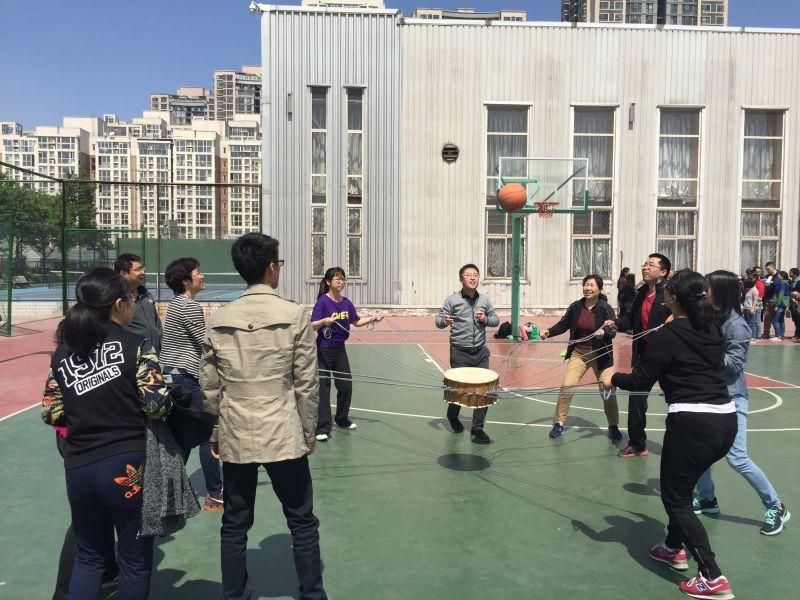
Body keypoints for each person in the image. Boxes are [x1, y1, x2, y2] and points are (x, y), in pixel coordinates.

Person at [201, 233, 327, 600]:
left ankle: (235, 595)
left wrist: (215, 433)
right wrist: (308, 431)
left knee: (234, 523)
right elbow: (306, 383)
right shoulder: (294, 314)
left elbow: (210, 386)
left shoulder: (219, 318)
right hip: (283, 429)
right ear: (272, 268)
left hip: (237, 429)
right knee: (301, 520)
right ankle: (312, 594)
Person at [601, 269, 738, 600]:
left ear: (672, 297)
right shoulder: (712, 328)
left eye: (667, 289)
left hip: (692, 424)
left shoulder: (668, 335)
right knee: (683, 490)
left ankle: (712, 576)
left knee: (675, 499)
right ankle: (673, 547)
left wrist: (612, 377)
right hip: (725, 421)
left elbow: (641, 381)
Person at [41, 268, 172, 600]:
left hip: (78, 466)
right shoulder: (136, 345)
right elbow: (157, 405)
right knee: (134, 562)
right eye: (131, 298)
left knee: (89, 559)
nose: (133, 304)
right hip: (126, 464)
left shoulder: (62, 354)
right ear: (118, 303)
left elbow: (51, 412)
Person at [693, 270, 791, 536]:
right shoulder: (711, 318)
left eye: (708, 288)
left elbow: (734, 365)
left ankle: (776, 506)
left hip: (732, 399)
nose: (704, 293)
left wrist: (704, 350)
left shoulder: (736, 326)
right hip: (710, 397)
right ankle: (707, 498)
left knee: (737, 458)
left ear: (720, 292)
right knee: (702, 452)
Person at [160, 258, 223, 510]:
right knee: (208, 432)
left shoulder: (177, 304)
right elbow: (206, 345)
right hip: (184, 379)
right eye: (198, 273)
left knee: (182, 436)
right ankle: (215, 493)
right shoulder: (188, 306)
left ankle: (170, 491)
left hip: (173, 378)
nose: (202, 276)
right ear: (186, 281)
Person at [540, 274, 621, 441]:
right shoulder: (576, 307)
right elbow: (563, 324)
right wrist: (548, 332)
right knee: (567, 387)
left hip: (601, 355)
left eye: (592, 285)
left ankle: (613, 426)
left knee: (607, 389)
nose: (588, 288)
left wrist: (604, 332)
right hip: (579, 354)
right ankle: (558, 423)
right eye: (586, 285)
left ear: (599, 289)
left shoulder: (605, 308)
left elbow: (613, 329)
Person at [609, 253, 672, 458]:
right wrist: (614, 324)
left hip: (668, 357)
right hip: (643, 355)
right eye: (645, 264)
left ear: (663, 272)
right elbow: (629, 318)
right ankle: (637, 444)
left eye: (651, 265)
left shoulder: (670, 294)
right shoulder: (641, 293)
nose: (645, 267)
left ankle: (680, 443)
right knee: (636, 400)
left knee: (676, 401)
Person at [310, 267, 383, 441]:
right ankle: (323, 428)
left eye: (343, 279)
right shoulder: (322, 302)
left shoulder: (346, 303)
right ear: (328, 282)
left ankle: (341, 419)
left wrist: (372, 318)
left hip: (339, 350)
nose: (341, 282)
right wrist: (323, 321)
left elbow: (356, 321)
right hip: (324, 350)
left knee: (345, 386)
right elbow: (312, 325)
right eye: (338, 279)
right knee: (324, 388)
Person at [435, 263, 499, 444]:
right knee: (460, 390)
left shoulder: (485, 300)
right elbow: (438, 321)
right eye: (469, 275)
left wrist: (485, 319)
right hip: (459, 352)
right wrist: (445, 321)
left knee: (484, 390)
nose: (473, 278)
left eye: (476, 275)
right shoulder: (452, 300)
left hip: (481, 352)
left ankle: (477, 429)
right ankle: (452, 414)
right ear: (461, 279)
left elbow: (496, 320)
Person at [114, 253, 163, 354]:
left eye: (142, 269)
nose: (143, 272)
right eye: (138, 270)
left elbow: (157, 324)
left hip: (154, 355)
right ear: (123, 273)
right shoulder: (117, 299)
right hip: (132, 355)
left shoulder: (147, 294)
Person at [760, 262, 780, 340]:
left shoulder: (779, 275)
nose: (767, 270)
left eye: (768, 268)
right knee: (767, 317)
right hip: (768, 299)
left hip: (776, 299)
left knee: (777, 318)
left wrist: (772, 282)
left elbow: (781, 285)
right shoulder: (767, 276)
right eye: (766, 269)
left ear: (773, 267)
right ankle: (766, 333)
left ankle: (779, 334)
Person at [769, 270, 791, 341]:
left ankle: (778, 335)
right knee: (781, 320)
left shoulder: (782, 284)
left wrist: (777, 304)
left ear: (782, 276)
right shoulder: (786, 283)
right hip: (784, 304)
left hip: (780, 304)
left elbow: (781, 295)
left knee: (774, 320)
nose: (778, 276)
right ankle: (781, 334)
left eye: (779, 275)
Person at [742, 277, 760, 342]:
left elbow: (755, 300)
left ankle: (753, 337)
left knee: (752, 323)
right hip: (746, 308)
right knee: (746, 322)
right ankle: (748, 336)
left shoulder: (754, 290)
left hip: (750, 308)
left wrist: (753, 308)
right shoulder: (748, 290)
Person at [788, 267, 800, 340]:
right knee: (795, 319)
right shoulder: (791, 281)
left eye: (791, 272)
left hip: (796, 302)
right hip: (792, 301)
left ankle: (798, 334)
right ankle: (797, 334)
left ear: (795, 274)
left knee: (797, 318)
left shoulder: (798, 281)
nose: (789, 273)